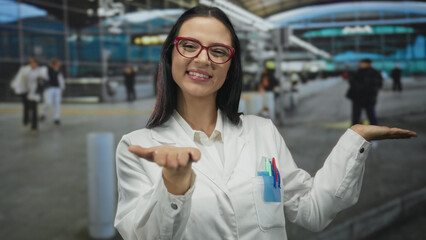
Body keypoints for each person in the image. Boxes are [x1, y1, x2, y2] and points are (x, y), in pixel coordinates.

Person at [114, 6, 417, 240]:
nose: (203, 59)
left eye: (218, 51)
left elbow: (312, 211)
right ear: (169, 55)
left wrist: (354, 140)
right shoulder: (138, 147)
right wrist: (174, 189)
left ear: (231, 66)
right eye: (189, 45)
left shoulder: (262, 132)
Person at [346, 59, 383, 126]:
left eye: (362, 63)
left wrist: (365, 89)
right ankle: (356, 129)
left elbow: (378, 84)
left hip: (367, 97)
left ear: (368, 64)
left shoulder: (373, 73)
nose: (361, 65)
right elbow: (352, 82)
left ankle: (373, 128)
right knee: (358, 116)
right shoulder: (359, 71)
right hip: (360, 98)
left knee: (370, 115)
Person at [40, 59, 65, 125]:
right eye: (57, 63)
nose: (59, 65)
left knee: (57, 103)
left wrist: (62, 88)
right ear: (54, 64)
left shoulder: (59, 71)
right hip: (49, 88)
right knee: (48, 102)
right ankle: (44, 114)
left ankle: (56, 118)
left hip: (57, 88)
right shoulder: (47, 69)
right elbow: (43, 77)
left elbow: (61, 79)